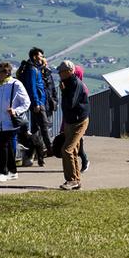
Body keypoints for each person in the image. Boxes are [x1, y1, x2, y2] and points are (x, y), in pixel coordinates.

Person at [17, 47, 57, 167]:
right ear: (34, 56)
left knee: (35, 129)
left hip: (40, 101)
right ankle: (50, 150)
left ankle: (34, 154)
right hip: (38, 103)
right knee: (44, 126)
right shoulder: (32, 69)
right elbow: (32, 87)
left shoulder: (35, 68)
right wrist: (36, 103)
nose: (43, 58)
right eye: (41, 56)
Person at [57, 60, 90, 190]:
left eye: (62, 71)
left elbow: (70, 103)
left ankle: (71, 180)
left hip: (78, 121)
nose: (60, 74)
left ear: (70, 71)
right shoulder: (68, 83)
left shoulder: (75, 84)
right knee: (73, 151)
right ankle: (76, 180)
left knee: (67, 150)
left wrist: (63, 92)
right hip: (71, 121)